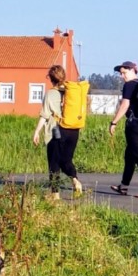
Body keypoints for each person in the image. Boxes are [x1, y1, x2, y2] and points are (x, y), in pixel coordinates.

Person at [32, 65, 84, 198]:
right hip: (73, 130)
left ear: (51, 78)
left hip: (56, 130)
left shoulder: (50, 94)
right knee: (66, 160)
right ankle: (75, 180)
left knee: (54, 162)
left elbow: (44, 115)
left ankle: (55, 195)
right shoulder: (70, 92)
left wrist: (37, 132)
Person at [108, 60, 138, 198]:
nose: (123, 76)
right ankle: (123, 186)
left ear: (133, 70)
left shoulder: (129, 85)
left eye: (125, 72)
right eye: (121, 73)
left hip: (134, 126)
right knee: (130, 156)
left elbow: (124, 105)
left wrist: (114, 122)